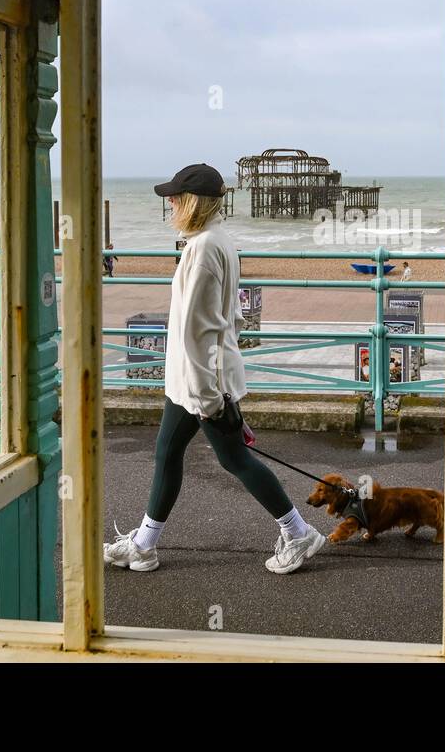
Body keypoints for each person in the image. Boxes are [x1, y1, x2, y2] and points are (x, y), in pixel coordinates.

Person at [103, 163, 325, 575]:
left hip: (201, 382)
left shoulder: (203, 249)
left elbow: (199, 333)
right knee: (167, 454)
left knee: (235, 460)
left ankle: (298, 532)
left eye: (174, 197)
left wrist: (212, 401)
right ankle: (144, 544)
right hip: (193, 381)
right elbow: (231, 320)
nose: (168, 202)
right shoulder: (216, 240)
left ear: (193, 203)